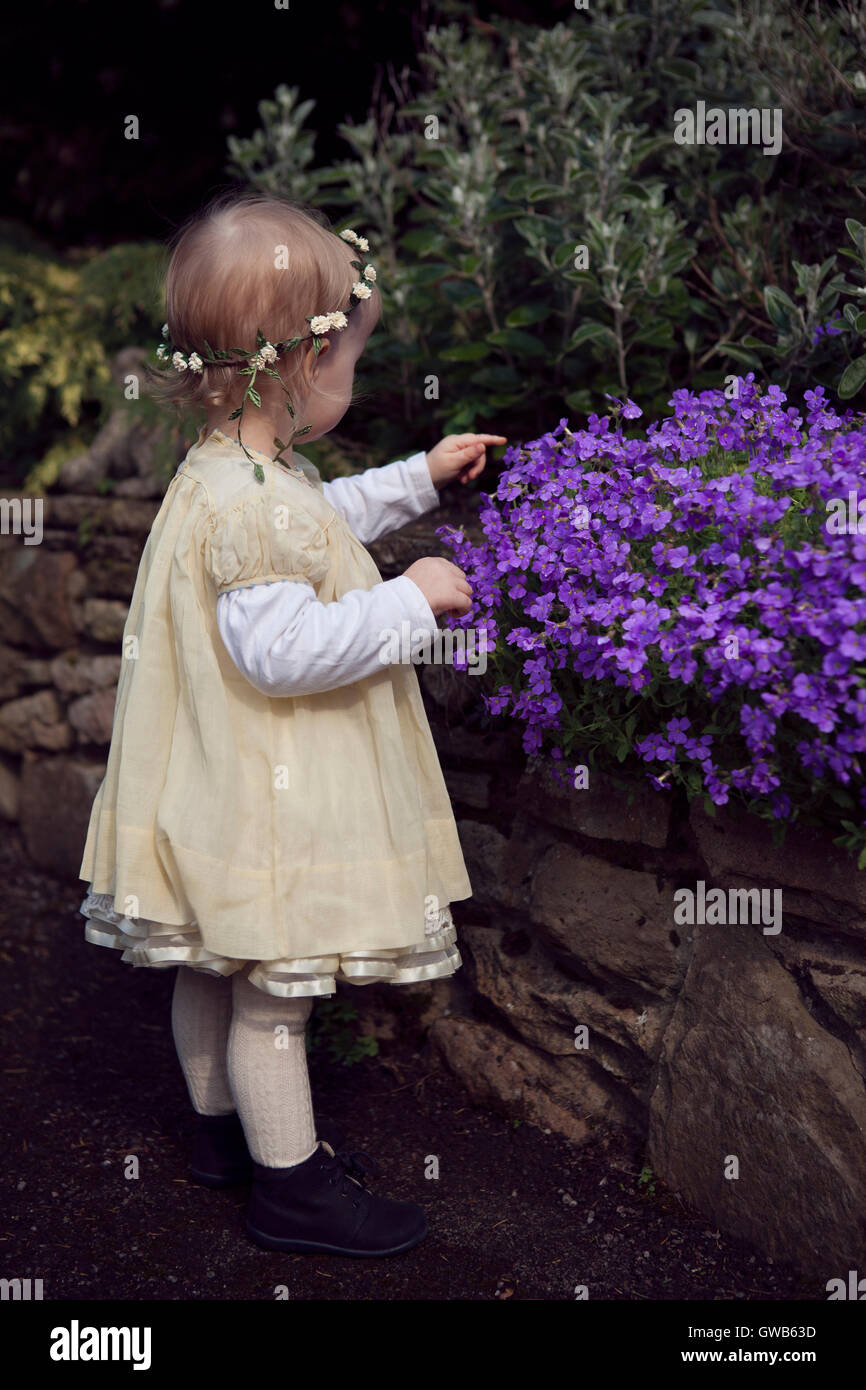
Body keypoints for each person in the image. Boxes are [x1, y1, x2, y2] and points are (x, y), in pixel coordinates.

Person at [77, 188, 505, 1259]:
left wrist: (416, 479)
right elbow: (284, 650)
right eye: (347, 359)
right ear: (293, 368)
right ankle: (292, 1192)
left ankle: (219, 1136)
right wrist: (413, 600)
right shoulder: (250, 498)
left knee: (209, 967)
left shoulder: (239, 470)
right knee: (273, 993)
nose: (349, 380)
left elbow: (318, 518)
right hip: (271, 794)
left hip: (215, 788)